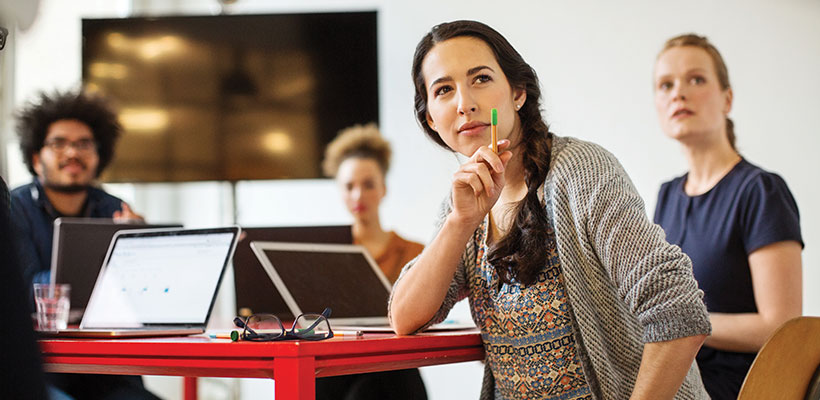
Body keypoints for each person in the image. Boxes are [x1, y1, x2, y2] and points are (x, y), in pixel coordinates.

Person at [389, 20, 711, 399]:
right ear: (430, 118)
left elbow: (677, 307)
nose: (465, 103)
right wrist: (460, 222)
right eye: (444, 90)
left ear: (518, 92)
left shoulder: (581, 170)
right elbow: (405, 318)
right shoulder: (463, 203)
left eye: (481, 79)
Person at [652, 34, 803, 399]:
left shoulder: (760, 191)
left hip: (743, 386)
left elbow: (781, 327)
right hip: (681, 377)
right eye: (666, 85)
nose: (679, 93)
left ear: (727, 99)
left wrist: (683, 322)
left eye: (696, 79)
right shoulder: (667, 194)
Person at [10, 88, 159, 400]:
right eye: (59, 143)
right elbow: (23, 288)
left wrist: (140, 248)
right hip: (41, 365)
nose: (72, 153)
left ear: (99, 157)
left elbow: (148, 296)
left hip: (110, 364)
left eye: (84, 144)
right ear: (37, 159)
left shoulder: (115, 209)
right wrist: (110, 270)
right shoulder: (13, 208)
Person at [315, 123, 428, 400]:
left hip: (393, 369)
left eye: (367, 185)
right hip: (337, 368)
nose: (358, 195)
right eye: (349, 186)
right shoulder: (323, 255)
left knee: (382, 377)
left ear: (384, 188)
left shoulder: (416, 253)